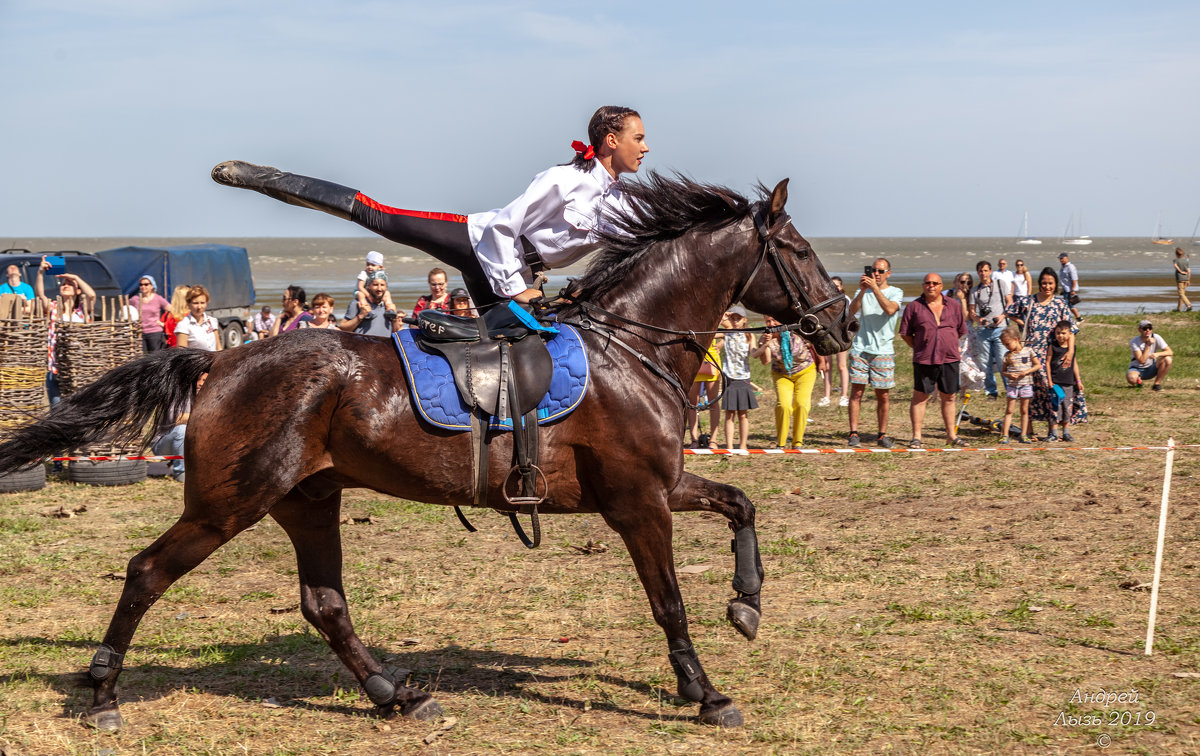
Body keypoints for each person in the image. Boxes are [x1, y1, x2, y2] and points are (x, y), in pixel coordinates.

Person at [213, 105, 649, 309]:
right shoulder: (565, 179)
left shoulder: (619, 202)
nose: (645, 148)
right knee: (375, 213)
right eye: (638, 138)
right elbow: (503, 228)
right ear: (611, 141)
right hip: (475, 241)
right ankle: (265, 179)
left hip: (514, 274)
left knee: (507, 352)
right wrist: (517, 289)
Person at [1005, 267, 1083, 438]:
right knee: (1029, 391)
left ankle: (1052, 429)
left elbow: (1072, 330)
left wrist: (1070, 351)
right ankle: (1029, 429)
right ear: (1039, 284)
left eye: (1051, 283)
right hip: (1031, 353)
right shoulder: (1028, 301)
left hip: (1052, 355)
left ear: (1055, 285)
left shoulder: (1060, 303)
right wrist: (1022, 322)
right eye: (1044, 283)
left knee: (1051, 391)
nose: (1047, 287)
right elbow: (1009, 312)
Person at [899, 273, 968, 448]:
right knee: (920, 397)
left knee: (949, 397)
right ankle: (916, 437)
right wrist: (920, 347)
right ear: (923, 285)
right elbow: (905, 333)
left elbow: (960, 330)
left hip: (949, 358)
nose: (931, 286)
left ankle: (951, 436)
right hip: (924, 359)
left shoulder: (953, 306)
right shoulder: (913, 307)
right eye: (928, 283)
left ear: (941, 286)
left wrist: (947, 342)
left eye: (935, 283)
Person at [847, 258, 904, 449]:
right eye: (874, 271)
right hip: (861, 348)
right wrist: (863, 290)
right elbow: (851, 311)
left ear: (889, 273)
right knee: (856, 392)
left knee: (883, 396)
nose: (876, 274)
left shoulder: (896, 292)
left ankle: (881, 434)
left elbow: (889, 309)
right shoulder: (863, 291)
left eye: (880, 271)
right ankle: (853, 433)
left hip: (883, 350)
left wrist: (875, 289)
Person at [34, 257, 96, 407]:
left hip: (77, 365)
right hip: (55, 366)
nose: (65, 285)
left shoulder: (81, 311)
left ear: (77, 290)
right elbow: (40, 295)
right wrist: (41, 272)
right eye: (63, 283)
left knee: (78, 407)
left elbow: (92, 295)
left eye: (70, 284)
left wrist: (75, 277)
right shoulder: (54, 308)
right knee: (56, 407)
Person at [758, 315, 817, 449]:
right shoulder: (765, 338)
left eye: (774, 320)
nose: (772, 323)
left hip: (805, 371)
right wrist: (764, 344)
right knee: (784, 406)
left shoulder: (795, 330)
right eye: (768, 321)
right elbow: (765, 361)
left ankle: (797, 442)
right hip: (781, 374)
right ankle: (781, 443)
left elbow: (814, 340)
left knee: (801, 404)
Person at [968, 260, 1012, 400]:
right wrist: (978, 319)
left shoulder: (1000, 284)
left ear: (990, 271)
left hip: (1000, 328)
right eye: (981, 271)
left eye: (986, 270)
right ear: (978, 273)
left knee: (1002, 360)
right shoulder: (975, 290)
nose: (983, 273)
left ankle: (1010, 390)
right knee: (986, 362)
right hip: (983, 331)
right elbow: (971, 311)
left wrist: (1002, 316)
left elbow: (1010, 302)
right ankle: (991, 392)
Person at [720, 307, 756, 451]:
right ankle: (729, 446)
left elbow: (753, 353)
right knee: (729, 414)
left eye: (738, 318)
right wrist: (726, 315)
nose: (735, 322)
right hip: (729, 376)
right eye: (733, 318)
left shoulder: (749, 335)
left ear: (744, 320)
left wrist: (763, 347)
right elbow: (718, 317)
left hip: (743, 377)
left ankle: (742, 446)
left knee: (743, 414)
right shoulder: (727, 332)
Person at [997, 327, 1041, 445]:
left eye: (1007, 344)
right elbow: (1004, 371)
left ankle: (1024, 434)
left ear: (1016, 339)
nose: (1006, 346)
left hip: (1026, 384)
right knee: (1009, 410)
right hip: (1012, 386)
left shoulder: (1028, 351)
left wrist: (1026, 372)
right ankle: (1004, 435)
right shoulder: (1007, 355)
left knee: (1024, 410)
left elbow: (1038, 365)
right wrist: (1009, 375)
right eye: (1004, 345)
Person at [815, 276, 851, 408]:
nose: (835, 288)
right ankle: (827, 396)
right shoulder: (824, 300)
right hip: (828, 335)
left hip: (841, 335)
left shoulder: (845, 300)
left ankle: (844, 396)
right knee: (827, 366)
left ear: (842, 287)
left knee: (842, 366)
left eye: (838, 285)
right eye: (833, 285)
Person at [1045, 320, 1082, 443]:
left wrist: (1078, 380)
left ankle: (1066, 432)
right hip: (1055, 382)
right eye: (1058, 333)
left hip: (1068, 382)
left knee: (1067, 408)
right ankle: (1054, 434)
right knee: (1055, 408)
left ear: (1070, 334)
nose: (1060, 336)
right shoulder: (1053, 346)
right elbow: (1048, 363)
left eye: (1063, 333)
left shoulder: (1072, 349)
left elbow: (1074, 364)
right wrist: (1050, 381)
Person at [687, 326, 723, 450]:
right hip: (694, 360)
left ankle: (713, 440)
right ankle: (694, 439)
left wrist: (720, 343)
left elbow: (726, 331)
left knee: (713, 402)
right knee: (692, 402)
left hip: (711, 360)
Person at [129, 275, 171, 352]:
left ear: (152, 286)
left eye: (146, 284)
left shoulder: (158, 298)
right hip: (140, 333)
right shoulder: (135, 299)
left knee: (155, 357)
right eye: (141, 284)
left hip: (155, 332)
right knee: (141, 357)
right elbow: (126, 311)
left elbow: (172, 310)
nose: (143, 286)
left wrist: (164, 323)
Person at [1127, 320, 1173, 391]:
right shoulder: (1134, 341)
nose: (1147, 330)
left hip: (1151, 368)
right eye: (1145, 328)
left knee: (1168, 359)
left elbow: (1170, 352)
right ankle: (1138, 382)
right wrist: (1148, 345)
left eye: (1150, 328)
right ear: (1139, 330)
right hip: (1137, 368)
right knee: (1131, 379)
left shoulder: (1156, 337)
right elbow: (1142, 361)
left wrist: (1158, 354)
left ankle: (1156, 384)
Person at [174, 285, 223, 352]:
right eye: (195, 303)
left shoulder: (212, 321)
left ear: (206, 303)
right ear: (188, 304)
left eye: (202, 303)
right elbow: (181, 355)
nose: (199, 307)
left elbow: (218, 348)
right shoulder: (183, 325)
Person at [1058, 252, 1082, 321]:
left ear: (1067, 258)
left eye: (1062, 258)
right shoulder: (1063, 267)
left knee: (1069, 305)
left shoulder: (1070, 267)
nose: (1061, 260)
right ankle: (1069, 318)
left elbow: (1074, 279)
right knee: (1067, 305)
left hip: (1069, 289)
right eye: (1060, 258)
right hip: (1065, 289)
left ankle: (1079, 318)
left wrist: (1073, 290)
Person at [1173, 247, 1192, 312]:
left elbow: (1175, 266)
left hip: (1180, 279)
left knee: (1181, 294)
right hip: (1186, 279)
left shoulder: (1176, 260)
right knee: (1182, 294)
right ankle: (1178, 309)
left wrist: (1180, 271)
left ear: (1176, 254)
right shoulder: (1186, 261)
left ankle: (1188, 305)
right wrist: (1188, 280)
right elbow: (1189, 271)